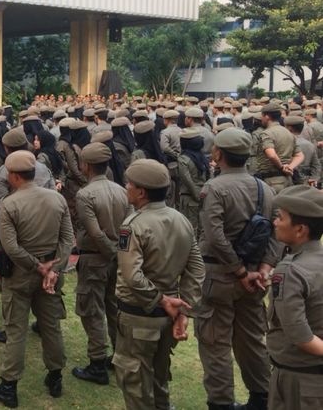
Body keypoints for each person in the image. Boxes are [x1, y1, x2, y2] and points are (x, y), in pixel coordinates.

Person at [196, 128, 281, 410]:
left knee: (215, 342)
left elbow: (214, 236)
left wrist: (239, 271)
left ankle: (220, 403)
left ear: (218, 154)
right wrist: (264, 268)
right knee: (253, 340)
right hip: (255, 277)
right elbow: (275, 232)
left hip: (221, 275)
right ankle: (261, 397)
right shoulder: (264, 188)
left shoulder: (215, 188)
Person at [114, 159, 204, 410]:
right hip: (167, 315)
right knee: (159, 377)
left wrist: (162, 300)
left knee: (135, 383)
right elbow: (196, 267)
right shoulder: (180, 219)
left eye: (129, 184)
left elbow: (132, 276)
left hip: (139, 316)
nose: (126, 187)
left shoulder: (133, 226)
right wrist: (183, 308)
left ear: (141, 192)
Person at [0, 150, 73, 407]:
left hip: (22, 273)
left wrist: (40, 268)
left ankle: (9, 386)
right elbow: (67, 239)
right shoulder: (57, 199)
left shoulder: (9, 205)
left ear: (13, 176)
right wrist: (54, 268)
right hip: (50, 271)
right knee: (51, 326)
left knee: (16, 330)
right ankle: (55, 377)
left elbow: (10, 247)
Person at [71, 143, 131, 386]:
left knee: (92, 310)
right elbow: (128, 226)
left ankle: (97, 361)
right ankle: (119, 356)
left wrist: (110, 252)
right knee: (114, 308)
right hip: (116, 258)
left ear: (85, 165)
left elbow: (95, 232)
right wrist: (119, 253)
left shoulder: (85, 194)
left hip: (96, 257)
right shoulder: (122, 190)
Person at [267, 185, 323, 410]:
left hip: (299, 381)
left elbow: (299, 335)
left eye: (280, 217)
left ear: (300, 230)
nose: (275, 222)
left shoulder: (291, 270)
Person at [256, 103, 303, 193]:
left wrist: (281, 167)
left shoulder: (266, 133)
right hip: (287, 180)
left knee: (272, 206)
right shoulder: (288, 132)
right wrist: (289, 168)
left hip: (271, 181)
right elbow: (299, 155)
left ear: (267, 116)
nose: (261, 118)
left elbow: (272, 155)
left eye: (262, 115)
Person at [177, 127, 209, 238]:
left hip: (190, 197)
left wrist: (196, 195)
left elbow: (187, 180)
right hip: (204, 194)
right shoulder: (202, 157)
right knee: (202, 226)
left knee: (190, 228)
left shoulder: (183, 159)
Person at [285, 115, 320, 186]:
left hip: (288, 180)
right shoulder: (309, 144)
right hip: (306, 182)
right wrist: (314, 178)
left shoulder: (285, 143)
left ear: (289, 128)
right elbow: (316, 165)